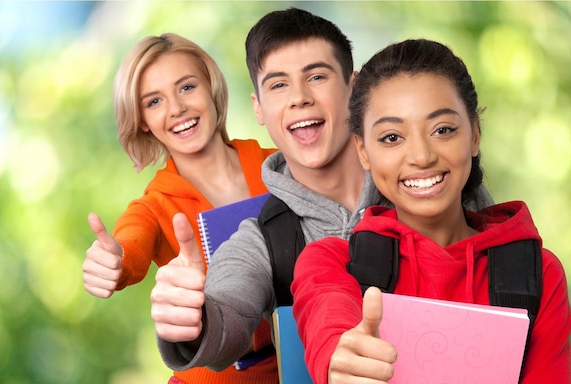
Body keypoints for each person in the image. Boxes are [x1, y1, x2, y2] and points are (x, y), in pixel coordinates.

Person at [151, 8, 492, 373]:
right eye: (278, 84)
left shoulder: (430, 181)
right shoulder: (261, 240)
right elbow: (227, 317)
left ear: (353, 86)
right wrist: (191, 319)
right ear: (259, 108)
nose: (299, 97)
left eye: (316, 76)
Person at [291, 38, 570, 384]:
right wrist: (344, 357)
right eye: (392, 137)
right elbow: (329, 318)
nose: (422, 156)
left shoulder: (537, 274)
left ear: (475, 135)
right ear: (363, 151)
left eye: (443, 130)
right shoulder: (330, 263)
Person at [81, 33, 278, 384]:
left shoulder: (278, 168)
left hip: (302, 368)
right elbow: (131, 245)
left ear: (211, 87)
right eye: (154, 101)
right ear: (142, 120)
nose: (176, 109)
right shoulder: (154, 206)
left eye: (187, 88)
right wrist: (115, 260)